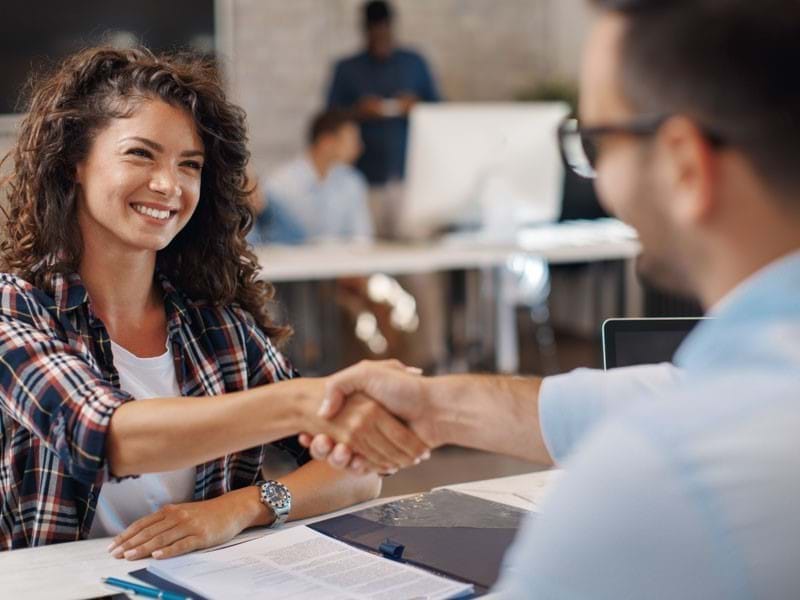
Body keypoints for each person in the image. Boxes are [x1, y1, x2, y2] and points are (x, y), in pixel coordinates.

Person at [306, 0, 800, 596]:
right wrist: (432, 407)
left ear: (684, 165)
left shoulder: (663, 482)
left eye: (595, 143)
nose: (597, 177)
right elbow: (654, 394)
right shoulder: (753, 388)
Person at [0, 47, 430, 555]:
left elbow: (358, 473)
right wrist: (305, 403)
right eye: (141, 153)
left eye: (190, 165)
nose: (168, 185)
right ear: (76, 163)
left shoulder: (219, 327)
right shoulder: (15, 309)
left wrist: (241, 507)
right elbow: (108, 436)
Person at [326, 0, 440, 236]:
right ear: (365, 31)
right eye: (374, 34)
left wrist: (416, 106)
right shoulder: (347, 69)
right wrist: (359, 111)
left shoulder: (414, 62)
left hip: (409, 177)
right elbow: (329, 118)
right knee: (368, 254)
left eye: (384, 33)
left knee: (416, 259)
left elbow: (440, 111)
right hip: (365, 179)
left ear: (392, 28)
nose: (380, 39)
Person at [247, 109, 373, 245]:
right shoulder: (280, 184)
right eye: (352, 140)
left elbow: (362, 238)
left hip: (343, 263)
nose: (359, 147)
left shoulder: (352, 182)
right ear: (326, 142)